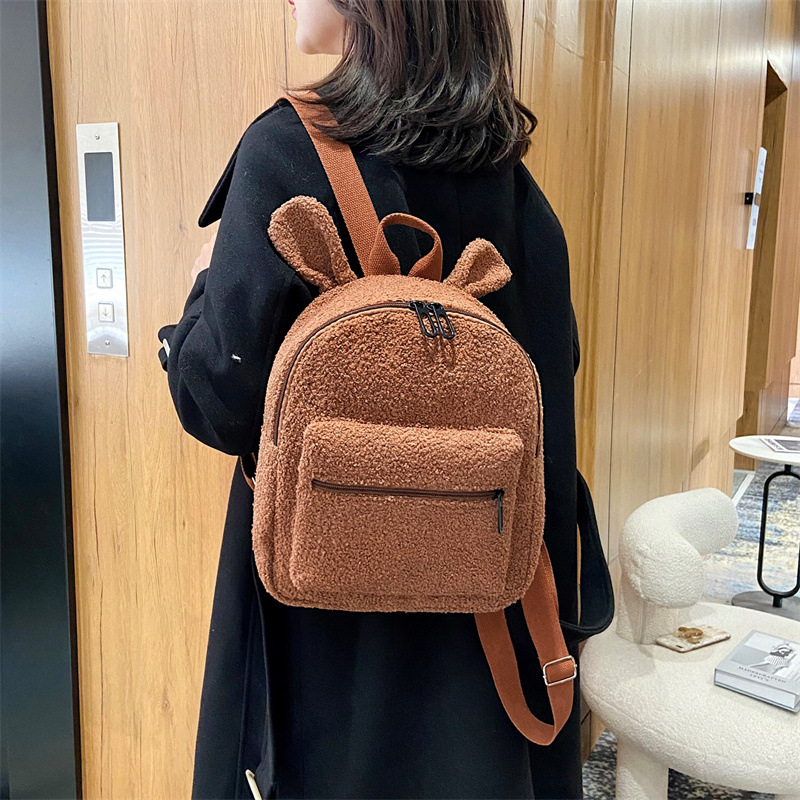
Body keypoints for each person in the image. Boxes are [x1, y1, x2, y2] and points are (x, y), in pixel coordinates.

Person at [158, 1, 588, 797]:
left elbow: (217, 398)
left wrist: (198, 295)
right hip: (488, 643)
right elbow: (551, 417)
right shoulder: (520, 192)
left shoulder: (287, 151)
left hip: (322, 647)